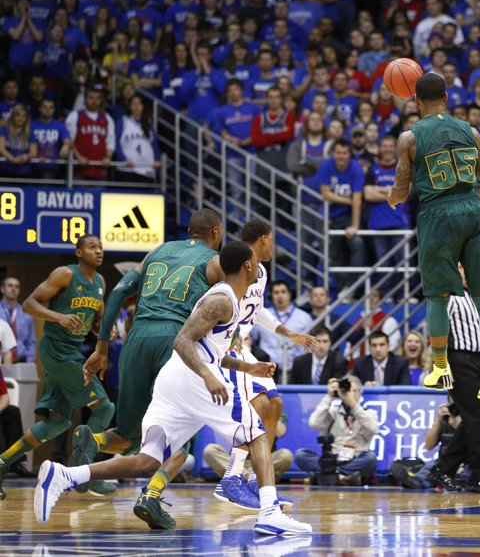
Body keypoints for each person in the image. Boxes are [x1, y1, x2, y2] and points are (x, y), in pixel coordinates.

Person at [34, 242, 312, 535]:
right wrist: (207, 376)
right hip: (194, 378)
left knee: (147, 461)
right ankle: (269, 512)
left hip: (177, 381)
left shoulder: (233, 301)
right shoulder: (222, 299)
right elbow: (182, 340)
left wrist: (248, 368)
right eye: (255, 262)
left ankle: (64, 474)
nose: (259, 267)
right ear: (247, 266)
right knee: (256, 434)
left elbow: (213, 350)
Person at [77, 210, 225, 529]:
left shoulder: (156, 251)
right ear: (215, 232)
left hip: (137, 337)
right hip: (175, 340)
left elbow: (117, 293)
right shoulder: (214, 261)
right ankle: (151, 496)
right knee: (181, 437)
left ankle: (95, 442)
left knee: (127, 433)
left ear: (188, 230)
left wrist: (102, 346)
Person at [386, 72, 480, 399]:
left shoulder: (409, 138)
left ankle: (441, 369)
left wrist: (392, 198)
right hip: (475, 208)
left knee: (438, 295)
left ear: (416, 102)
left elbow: (402, 191)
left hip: (438, 214)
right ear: (447, 96)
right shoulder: (471, 131)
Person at [204, 220, 319, 509]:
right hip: (229, 348)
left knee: (275, 405)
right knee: (256, 408)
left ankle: (258, 480)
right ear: (263, 239)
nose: (274, 245)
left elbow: (257, 311)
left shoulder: (262, 272)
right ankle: (230, 479)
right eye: (272, 239)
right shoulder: (231, 267)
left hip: (244, 348)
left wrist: (289, 333)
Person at [0, 235, 112, 500]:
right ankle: (84, 474)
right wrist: (59, 317)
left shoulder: (100, 282)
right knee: (105, 408)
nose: (98, 251)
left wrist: (104, 329)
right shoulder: (64, 274)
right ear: (78, 252)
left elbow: (96, 322)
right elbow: (30, 304)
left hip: (73, 351)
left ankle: (3, 463)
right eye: (92, 247)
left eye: (100, 248)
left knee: (57, 422)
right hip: (56, 350)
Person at [430, 267, 480, 492]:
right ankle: (479, 474)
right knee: (476, 419)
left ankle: (443, 469)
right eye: (461, 268)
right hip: (457, 360)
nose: (467, 272)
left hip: (476, 359)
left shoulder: (471, 297)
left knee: (474, 420)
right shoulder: (445, 296)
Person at [294, 374, 379, 485]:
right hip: (332, 459)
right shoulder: (334, 412)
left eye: (354, 391)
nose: (350, 394)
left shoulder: (369, 413)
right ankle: (342, 477)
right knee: (301, 455)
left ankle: (328, 475)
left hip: (355, 459)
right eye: (347, 391)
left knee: (371, 459)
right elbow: (313, 423)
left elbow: (373, 429)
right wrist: (329, 396)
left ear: (360, 393)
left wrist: (353, 404)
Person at [250, 281, 313, 371]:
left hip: (297, 367)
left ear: (289, 294)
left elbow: (310, 343)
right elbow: (252, 340)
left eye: (283, 292)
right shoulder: (261, 316)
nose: (280, 295)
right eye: (276, 292)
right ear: (271, 296)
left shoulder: (304, 317)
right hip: (267, 367)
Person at [0, 277, 35, 364]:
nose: (13, 289)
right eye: (10, 286)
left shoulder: (26, 314)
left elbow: (31, 341)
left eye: (17, 286)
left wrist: (29, 362)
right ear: (2, 289)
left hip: (21, 360)